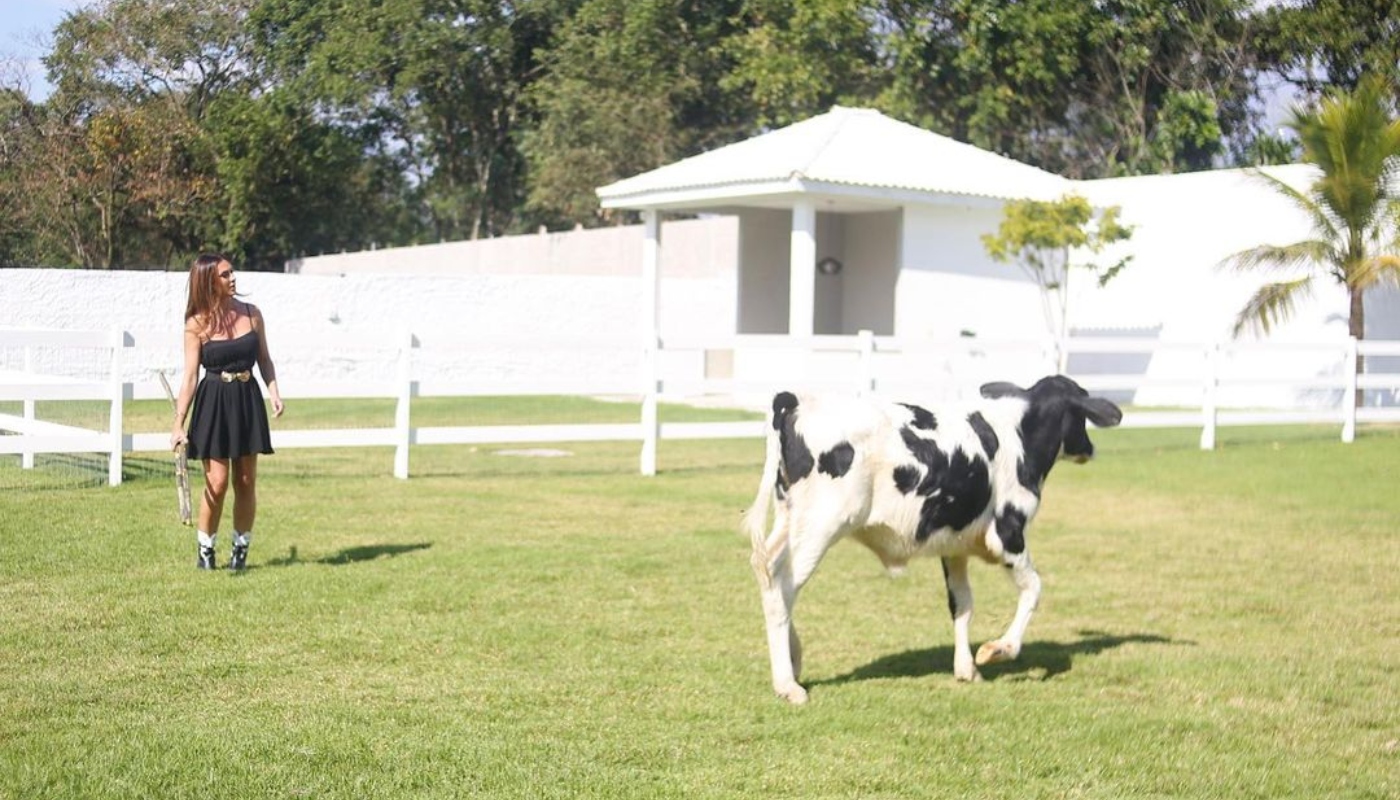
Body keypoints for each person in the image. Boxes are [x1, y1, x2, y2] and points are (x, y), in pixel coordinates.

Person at [170, 254, 284, 571]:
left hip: (247, 399)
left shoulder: (252, 314)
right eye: (224, 274)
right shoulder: (196, 324)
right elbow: (190, 376)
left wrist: (273, 391)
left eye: (232, 272)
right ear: (209, 281)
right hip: (214, 403)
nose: (233, 278)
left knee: (246, 481)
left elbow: (265, 359)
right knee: (217, 483)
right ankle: (206, 549)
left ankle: (240, 551)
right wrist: (178, 423)